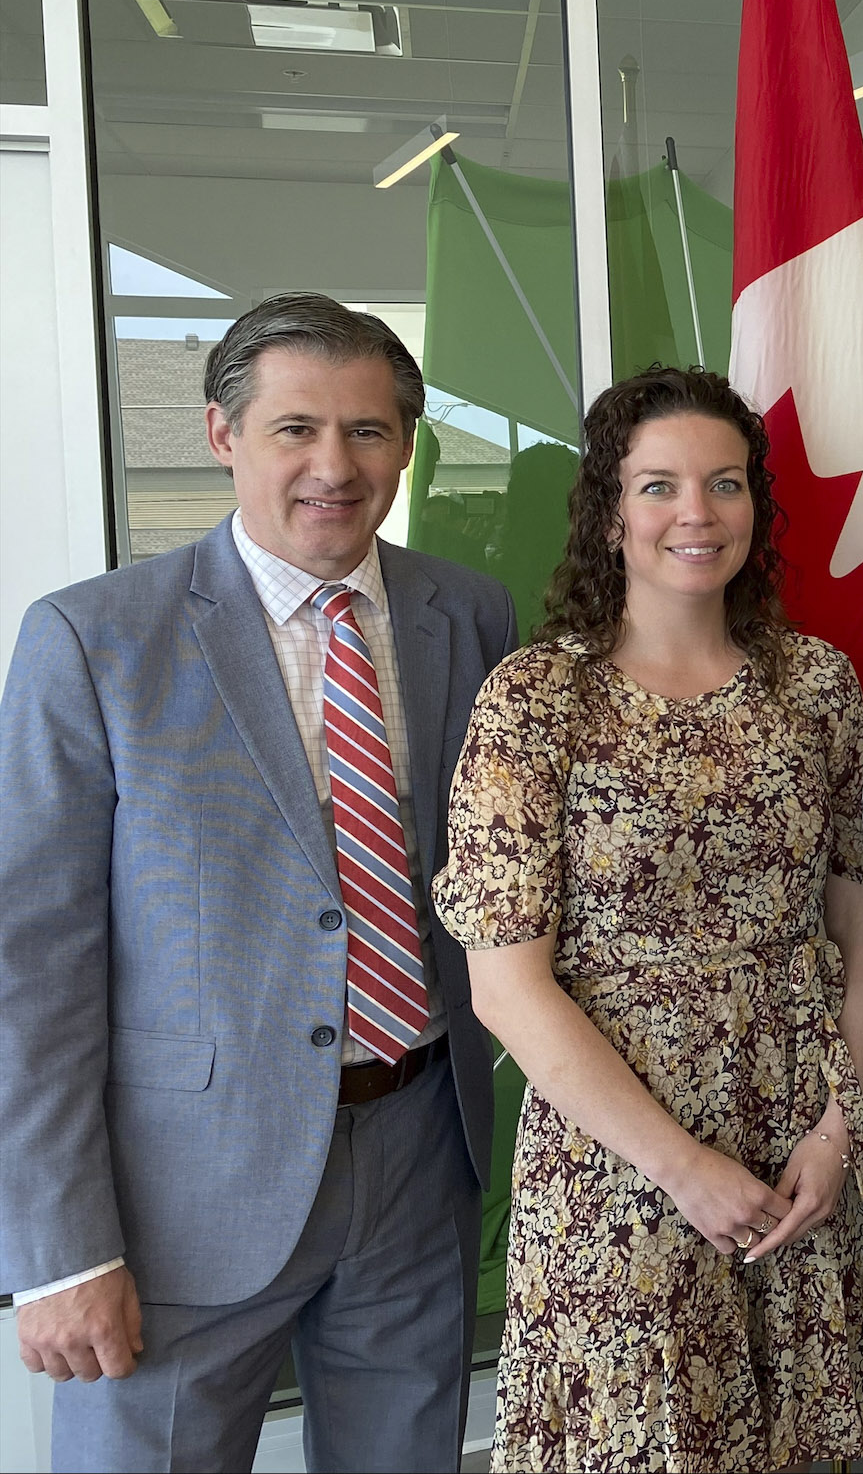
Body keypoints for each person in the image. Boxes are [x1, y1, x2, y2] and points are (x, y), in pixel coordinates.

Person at [0, 293, 516, 1471]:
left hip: (421, 1156)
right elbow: (29, 971)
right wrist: (62, 1251)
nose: (334, 466)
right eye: (295, 429)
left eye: (369, 431)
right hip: (178, 1202)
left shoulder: (469, 615)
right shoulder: (92, 640)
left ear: (406, 443)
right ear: (223, 435)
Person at [435, 365, 863, 1470]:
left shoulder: (818, 685)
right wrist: (682, 1166)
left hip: (806, 1146)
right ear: (608, 513)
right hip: (623, 1161)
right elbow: (506, 983)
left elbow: (859, 919)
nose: (695, 513)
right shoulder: (536, 698)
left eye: (725, 483)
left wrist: (839, 1128)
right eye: (658, 487)